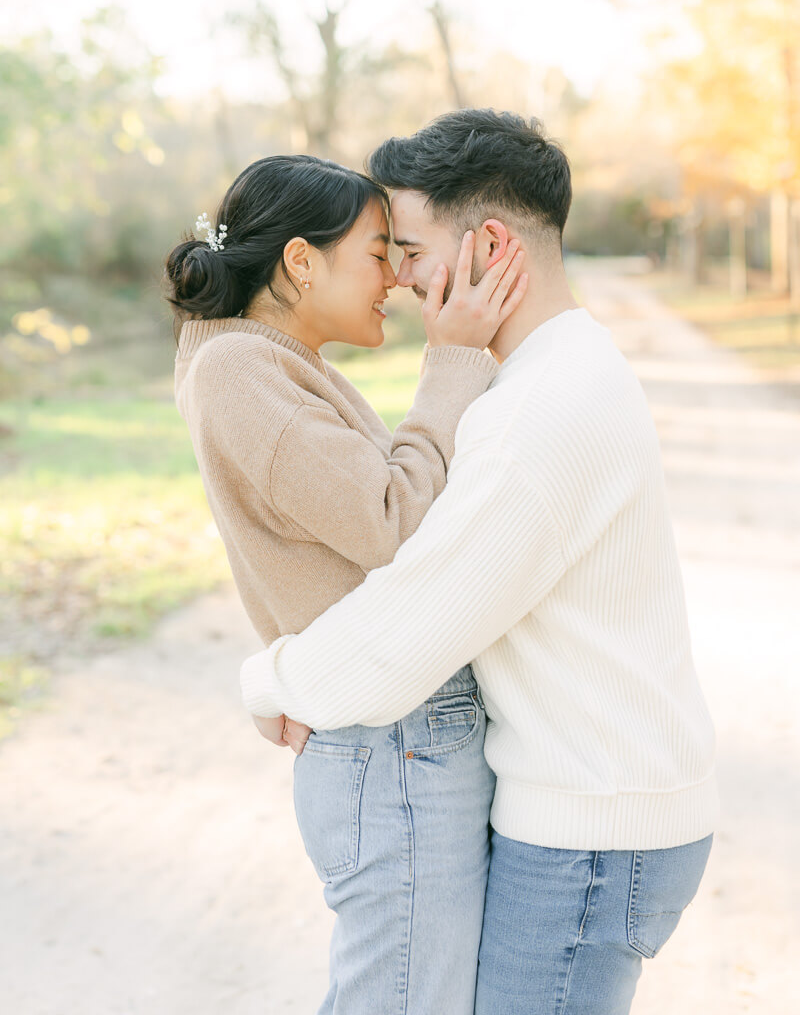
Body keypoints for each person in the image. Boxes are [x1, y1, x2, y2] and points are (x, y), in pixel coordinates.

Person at [240, 112, 719, 1015]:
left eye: (412, 251)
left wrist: (269, 677)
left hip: (591, 833)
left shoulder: (542, 410)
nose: (400, 278)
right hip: (595, 812)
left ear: (492, 246)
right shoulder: (559, 368)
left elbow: (413, 629)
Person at [164, 153, 528, 1015]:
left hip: (393, 733)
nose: (398, 279)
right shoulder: (238, 373)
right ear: (299, 261)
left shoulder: (264, 359)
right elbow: (394, 522)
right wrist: (454, 362)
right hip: (389, 741)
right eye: (377, 254)